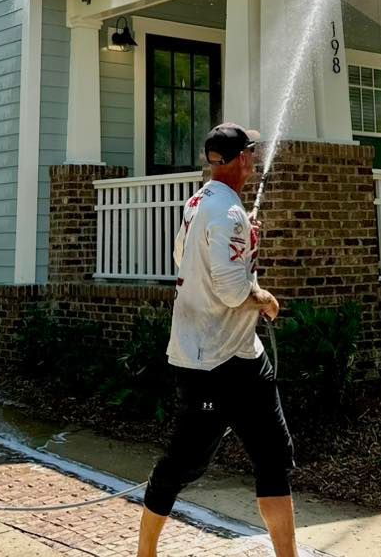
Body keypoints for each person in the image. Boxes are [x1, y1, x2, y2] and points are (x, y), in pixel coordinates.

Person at [137, 122, 297, 557]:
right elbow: (231, 291)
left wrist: (245, 241)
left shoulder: (199, 201)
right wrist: (264, 297)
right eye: (251, 153)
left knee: (272, 457)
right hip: (217, 365)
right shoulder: (227, 212)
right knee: (185, 461)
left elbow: (183, 256)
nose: (254, 160)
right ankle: (144, 553)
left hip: (232, 357)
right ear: (241, 159)